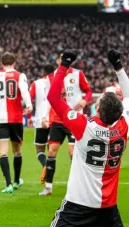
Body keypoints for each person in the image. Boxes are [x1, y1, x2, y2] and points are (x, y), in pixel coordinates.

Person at [43, 49, 129, 227]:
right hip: (108, 205)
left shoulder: (83, 126)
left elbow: (53, 97)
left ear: (98, 109)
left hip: (79, 203)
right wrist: (118, 66)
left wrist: (64, 64)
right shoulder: (124, 127)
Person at [39, 53, 93, 196]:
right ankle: (48, 187)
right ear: (57, 61)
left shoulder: (78, 74)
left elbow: (88, 91)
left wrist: (84, 101)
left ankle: (78, 186)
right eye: (60, 59)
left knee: (73, 152)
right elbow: (48, 99)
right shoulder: (52, 77)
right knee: (51, 152)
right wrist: (45, 116)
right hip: (58, 119)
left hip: (74, 119)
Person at [0, 52, 32, 193]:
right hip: (15, 118)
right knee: (17, 150)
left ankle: (7, 184)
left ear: (1, 63)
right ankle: (16, 181)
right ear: (14, 63)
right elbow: (25, 92)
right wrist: (29, 105)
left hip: (0, 118)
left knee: (3, 152)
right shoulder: (20, 75)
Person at [27, 64, 55, 169]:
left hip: (40, 120)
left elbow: (28, 100)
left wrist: (29, 117)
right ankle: (50, 172)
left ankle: (45, 166)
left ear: (43, 72)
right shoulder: (58, 83)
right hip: (54, 120)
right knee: (52, 150)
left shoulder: (36, 84)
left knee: (39, 149)